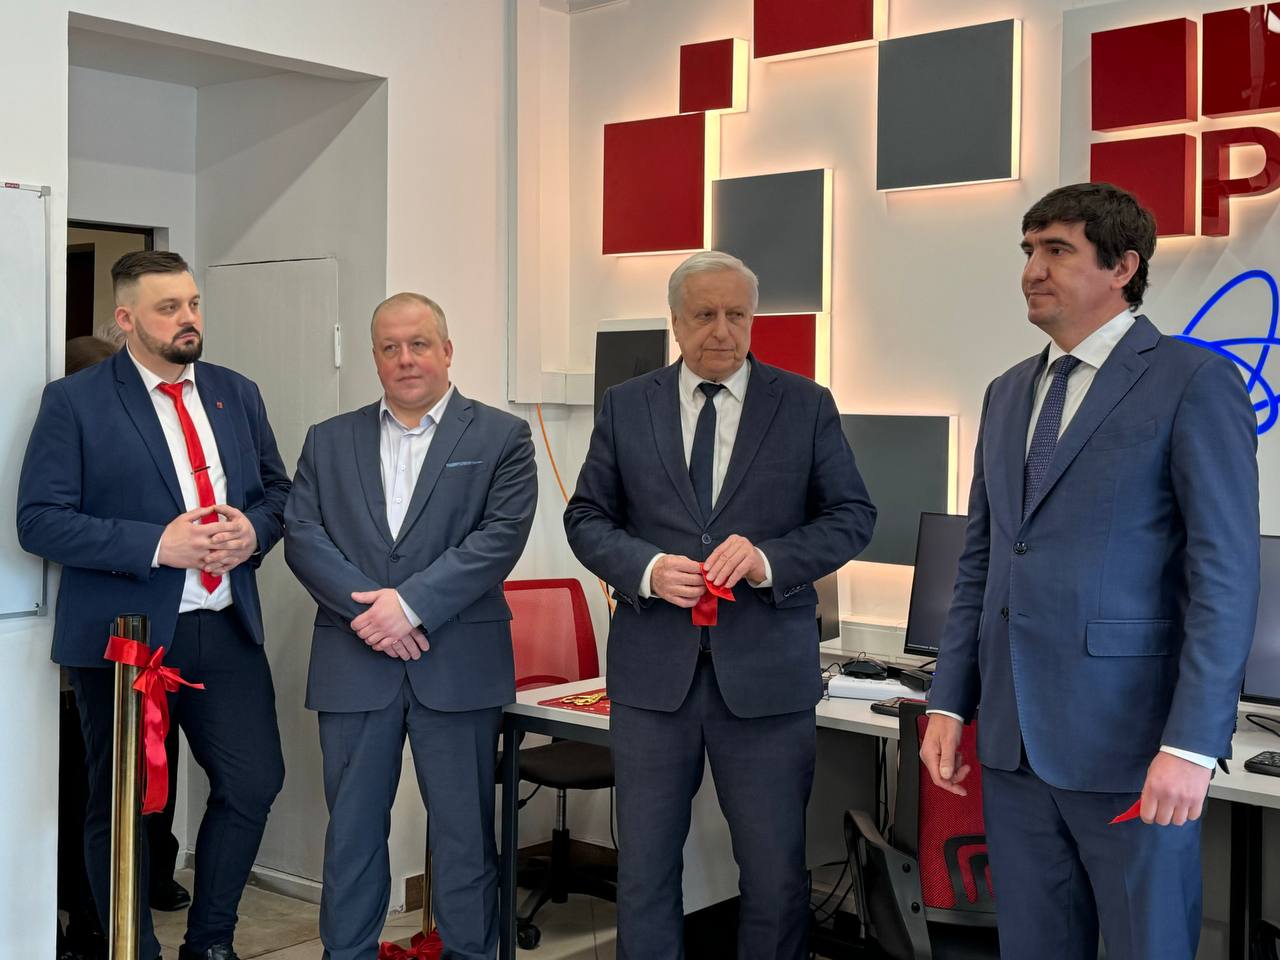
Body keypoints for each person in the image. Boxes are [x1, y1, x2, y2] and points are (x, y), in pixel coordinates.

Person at [921, 182, 1260, 959]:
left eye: (1057, 250)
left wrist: (1193, 744)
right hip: (1012, 744)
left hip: (1132, 746)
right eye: (1028, 251)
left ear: (1123, 267)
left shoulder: (1193, 380)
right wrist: (948, 703)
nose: (1032, 270)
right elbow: (983, 562)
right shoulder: (1008, 392)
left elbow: (1225, 577)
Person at [564, 250, 876, 959]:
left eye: (738, 314)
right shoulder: (626, 404)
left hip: (766, 678)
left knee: (774, 873)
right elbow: (586, 517)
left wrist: (770, 561)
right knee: (644, 870)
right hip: (653, 677)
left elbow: (852, 516)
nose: (723, 330)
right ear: (675, 322)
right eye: (705, 314)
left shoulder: (805, 405)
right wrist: (645, 570)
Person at [19, 251, 291, 960]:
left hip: (224, 626)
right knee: (124, 804)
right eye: (168, 308)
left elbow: (278, 493)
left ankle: (210, 943)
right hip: (127, 638)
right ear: (126, 318)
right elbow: (40, 521)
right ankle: (130, 950)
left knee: (254, 782)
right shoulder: (74, 401)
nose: (187, 319)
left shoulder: (237, 392)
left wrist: (253, 531)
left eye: (193, 303)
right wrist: (156, 545)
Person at [284, 292, 537, 960]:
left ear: (446, 351)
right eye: (390, 347)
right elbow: (302, 536)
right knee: (351, 834)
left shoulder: (502, 437)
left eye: (419, 344)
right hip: (354, 662)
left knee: (464, 836)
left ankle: (469, 953)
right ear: (374, 357)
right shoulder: (327, 439)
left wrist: (411, 605)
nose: (405, 359)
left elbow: (499, 538)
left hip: (458, 664)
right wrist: (374, 615)